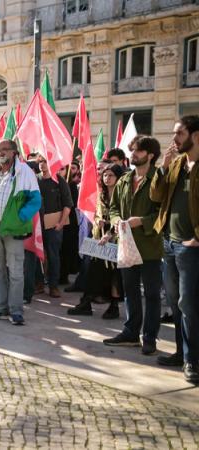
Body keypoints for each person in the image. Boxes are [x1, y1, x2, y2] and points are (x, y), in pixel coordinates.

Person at [150, 115, 199, 384]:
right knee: (176, 304)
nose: (174, 139)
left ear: (196, 135)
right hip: (169, 242)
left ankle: (193, 360)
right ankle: (181, 353)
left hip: (191, 247)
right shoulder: (177, 163)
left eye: (179, 133)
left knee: (189, 304)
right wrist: (163, 167)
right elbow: (156, 196)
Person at [103, 135, 163, 354]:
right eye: (132, 150)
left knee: (152, 294)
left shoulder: (160, 179)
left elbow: (163, 213)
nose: (133, 154)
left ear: (150, 155)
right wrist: (117, 221)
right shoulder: (125, 179)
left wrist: (142, 222)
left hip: (150, 246)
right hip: (126, 245)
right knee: (129, 292)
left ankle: (150, 337)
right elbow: (113, 208)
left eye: (137, 151)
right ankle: (130, 332)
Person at [0, 139, 41, 326]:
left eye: (5, 149)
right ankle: (0, 308)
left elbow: (36, 200)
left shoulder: (25, 172)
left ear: (14, 152)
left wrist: (20, 217)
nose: (1, 152)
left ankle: (16, 311)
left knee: (15, 271)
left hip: (13, 227)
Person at [67, 164, 125, 318]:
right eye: (105, 175)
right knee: (92, 272)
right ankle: (86, 303)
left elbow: (122, 217)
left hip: (117, 240)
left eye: (111, 175)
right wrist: (99, 221)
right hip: (99, 241)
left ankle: (114, 306)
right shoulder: (102, 194)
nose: (107, 178)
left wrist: (109, 228)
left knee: (114, 275)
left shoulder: (124, 195)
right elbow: (98, 213)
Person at [35, 154, 73, 298]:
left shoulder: (59, 180)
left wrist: (61, 223)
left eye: (45, 161)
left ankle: (53, 286)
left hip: (54, 225)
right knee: (36, 255)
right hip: (36, 224)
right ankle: (38, 283)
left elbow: (68, 204)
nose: (42, 164)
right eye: (40, 161)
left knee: (53, 255)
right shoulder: (34, 179)